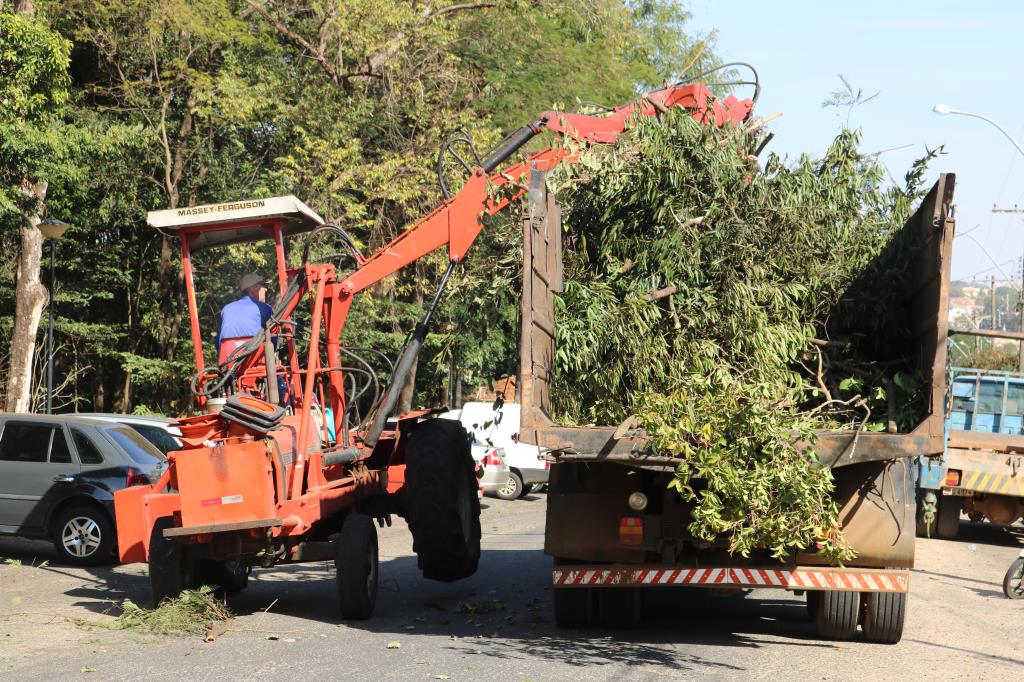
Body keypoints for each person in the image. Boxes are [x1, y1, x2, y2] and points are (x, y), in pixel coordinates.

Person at [216, 272, 273, 363]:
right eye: (263, 286)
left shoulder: (226, 308)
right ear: (253, 289)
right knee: (280, 377)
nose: (265, 290)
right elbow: (273, 335)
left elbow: (218, 342)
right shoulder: (265, 308)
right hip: (253, 357)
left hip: (227, 357)